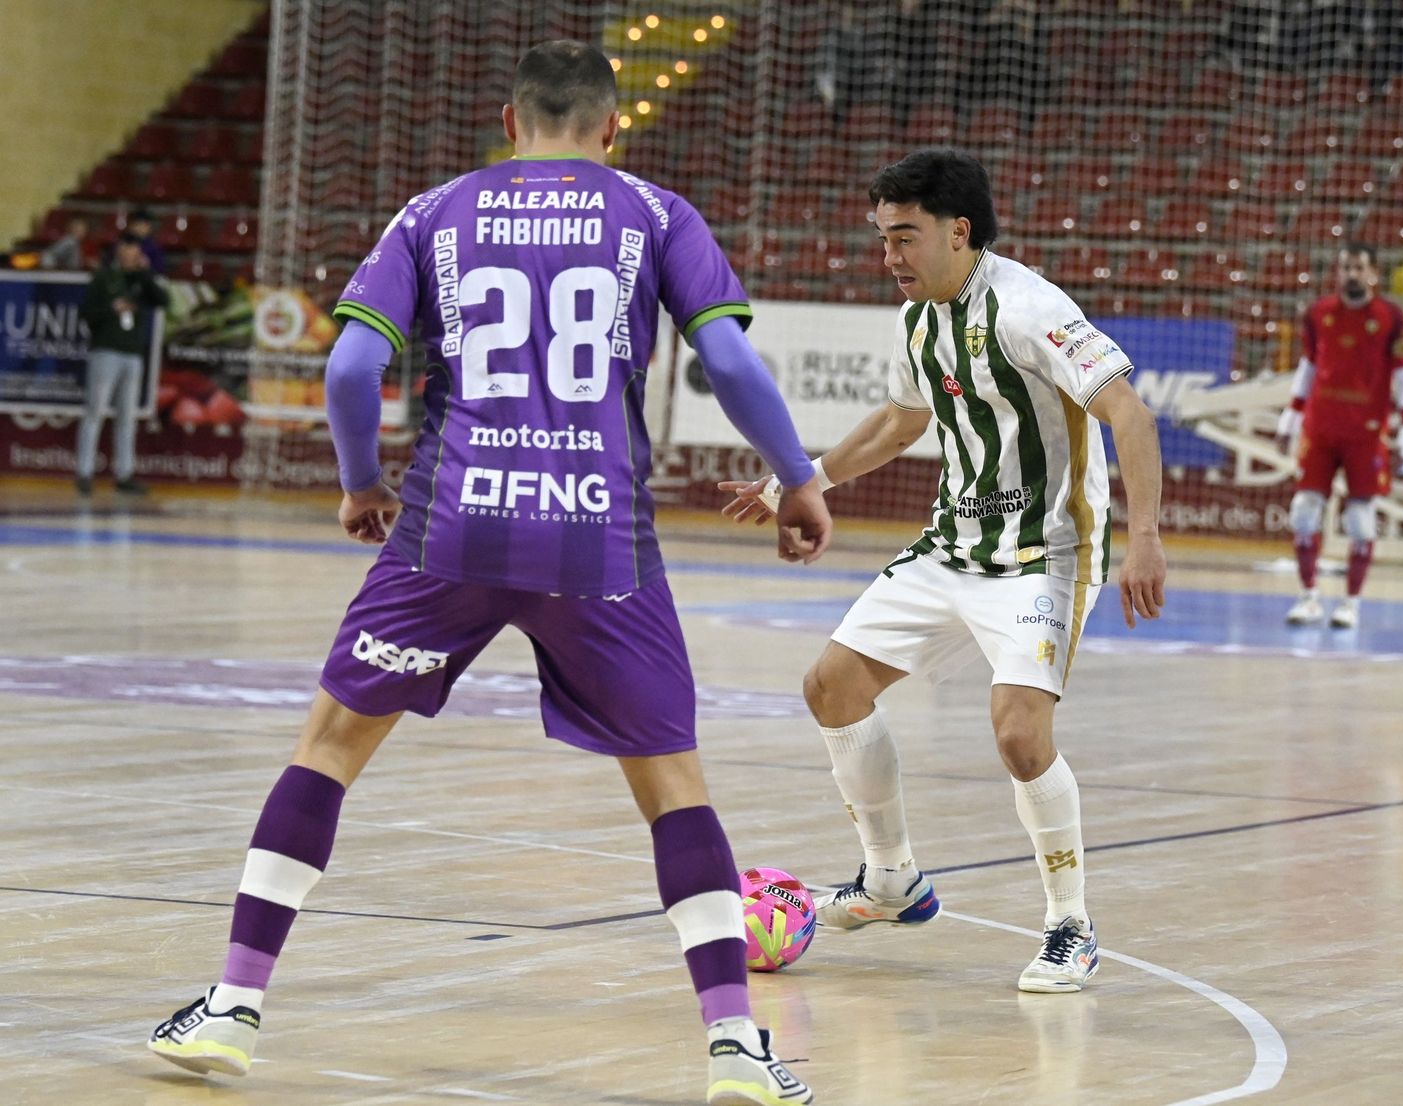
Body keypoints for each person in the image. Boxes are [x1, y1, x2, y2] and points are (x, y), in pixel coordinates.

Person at [146, 40, 828, 1106]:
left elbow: (352, 366)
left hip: (450, 528)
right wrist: (797, 477)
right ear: (612, 128)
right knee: (671, 788)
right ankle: (736, 1046)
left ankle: (233, 1007)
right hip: (598, 539)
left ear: (508, 123)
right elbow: (730, 361)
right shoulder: (657, 214)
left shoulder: (433, 212)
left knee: (328, 747)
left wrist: (361, 483)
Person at [720, 148, 1167, 994]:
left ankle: (1071, 925)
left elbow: (1129, 413)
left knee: (1019, 734)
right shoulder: (917, 318)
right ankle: (892, 879)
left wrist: (1144, 536)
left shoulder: (1030, 309)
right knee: (831, 687)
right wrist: (795, 482)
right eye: (882, 237)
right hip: (952, 545)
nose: (888, 255)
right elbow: (899, 423)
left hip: (1043, 554)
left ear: (958, 232)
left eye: (904, 236)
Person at [1275, 243, 1403, 630]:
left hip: (1366, 434)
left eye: (1359, 267)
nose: (1351, 275)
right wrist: (1291, 418)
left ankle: (1351, 603)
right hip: (1320, 430)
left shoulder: (1391, 318)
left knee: (1360, 519)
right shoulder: (1318, 313)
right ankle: (1308, 597)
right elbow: (1309, 366)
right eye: (1345, 268)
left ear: (1373, 274)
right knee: (1303, 511)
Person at [76, 231, 167, 496]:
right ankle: (84, 472)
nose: (132, 255)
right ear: (119, 251)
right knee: (95, 411)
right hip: (106, 351)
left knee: (127, 417)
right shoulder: (104, 278)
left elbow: (163, 300)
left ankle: (124, 474)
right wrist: (111, 310)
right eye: (128, 250)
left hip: (132, 355)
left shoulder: (140, 280)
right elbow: (86, 314)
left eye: (136, 251)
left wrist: (145, 274)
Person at [127, 207, 167, 274]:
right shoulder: (122, 244)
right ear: (130, 226)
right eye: (137, 224)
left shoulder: (154, 247)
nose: (139, 228)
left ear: (150, 227)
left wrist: (148, 266)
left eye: (143, 225)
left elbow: (160, 270)